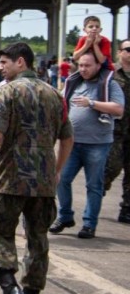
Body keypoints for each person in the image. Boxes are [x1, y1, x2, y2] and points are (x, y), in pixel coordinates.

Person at [0, 42, 74, 294]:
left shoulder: (9, 92)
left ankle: (9, 284)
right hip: (43, 183)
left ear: (21, 62)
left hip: (9, 179)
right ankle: (31, 289)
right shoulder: (55, 94)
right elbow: (68, 137)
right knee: (38, 238)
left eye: (5, 62)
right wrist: (57, 169)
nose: (0, 67)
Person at [51, 51, 124, 239]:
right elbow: (58, 102)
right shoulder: (73, 83)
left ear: (98, 66)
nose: (83, 69)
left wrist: (91, 103)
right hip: (72, 144)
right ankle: (65, 216)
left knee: (94, 185)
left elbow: (118, 109)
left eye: (87, 66)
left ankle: (89, 224)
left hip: (97, 144)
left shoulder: (109, 85)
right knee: (61, 179)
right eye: (81, 65)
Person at [103, 39, 130, 223]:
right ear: (120, 52)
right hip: (116, 130)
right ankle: (97, 193)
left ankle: (126, 209)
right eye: (128, 49)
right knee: (111, 168)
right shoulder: (111, 75)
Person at [71, 16, 115, 124]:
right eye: (91, 26)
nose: (94, 29)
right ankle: (65, 107)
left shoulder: (105, 41)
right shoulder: (83, 40)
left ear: (100, 29)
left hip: (105, 69)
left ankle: (104, 113)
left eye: (97, 26)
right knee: (69, 80)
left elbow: (101, 59)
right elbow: (75, 57)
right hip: (88, 67)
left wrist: (95, 44)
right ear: (85, 29)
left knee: (103, 83)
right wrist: (87, 44)